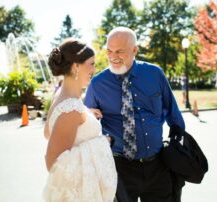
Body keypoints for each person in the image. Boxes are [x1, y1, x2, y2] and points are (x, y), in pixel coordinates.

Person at [85, 27, 186, 202]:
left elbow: (173, 112)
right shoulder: (97, 84)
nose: (113, 56)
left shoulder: (155, 74)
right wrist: (87, 116)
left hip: (158, 166)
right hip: (119, 169)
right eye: (109, 51)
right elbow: (85, 126)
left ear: (135, 50)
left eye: (120, 51)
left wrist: (179, 144)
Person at [43, 38, 117, 202]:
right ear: (76, 66)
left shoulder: (62, 98)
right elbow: (53, 163)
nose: (94, 69)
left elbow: (48, 132)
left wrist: (85, 116)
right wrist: (102, 142)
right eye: (91, 64)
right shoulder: (71, 108)